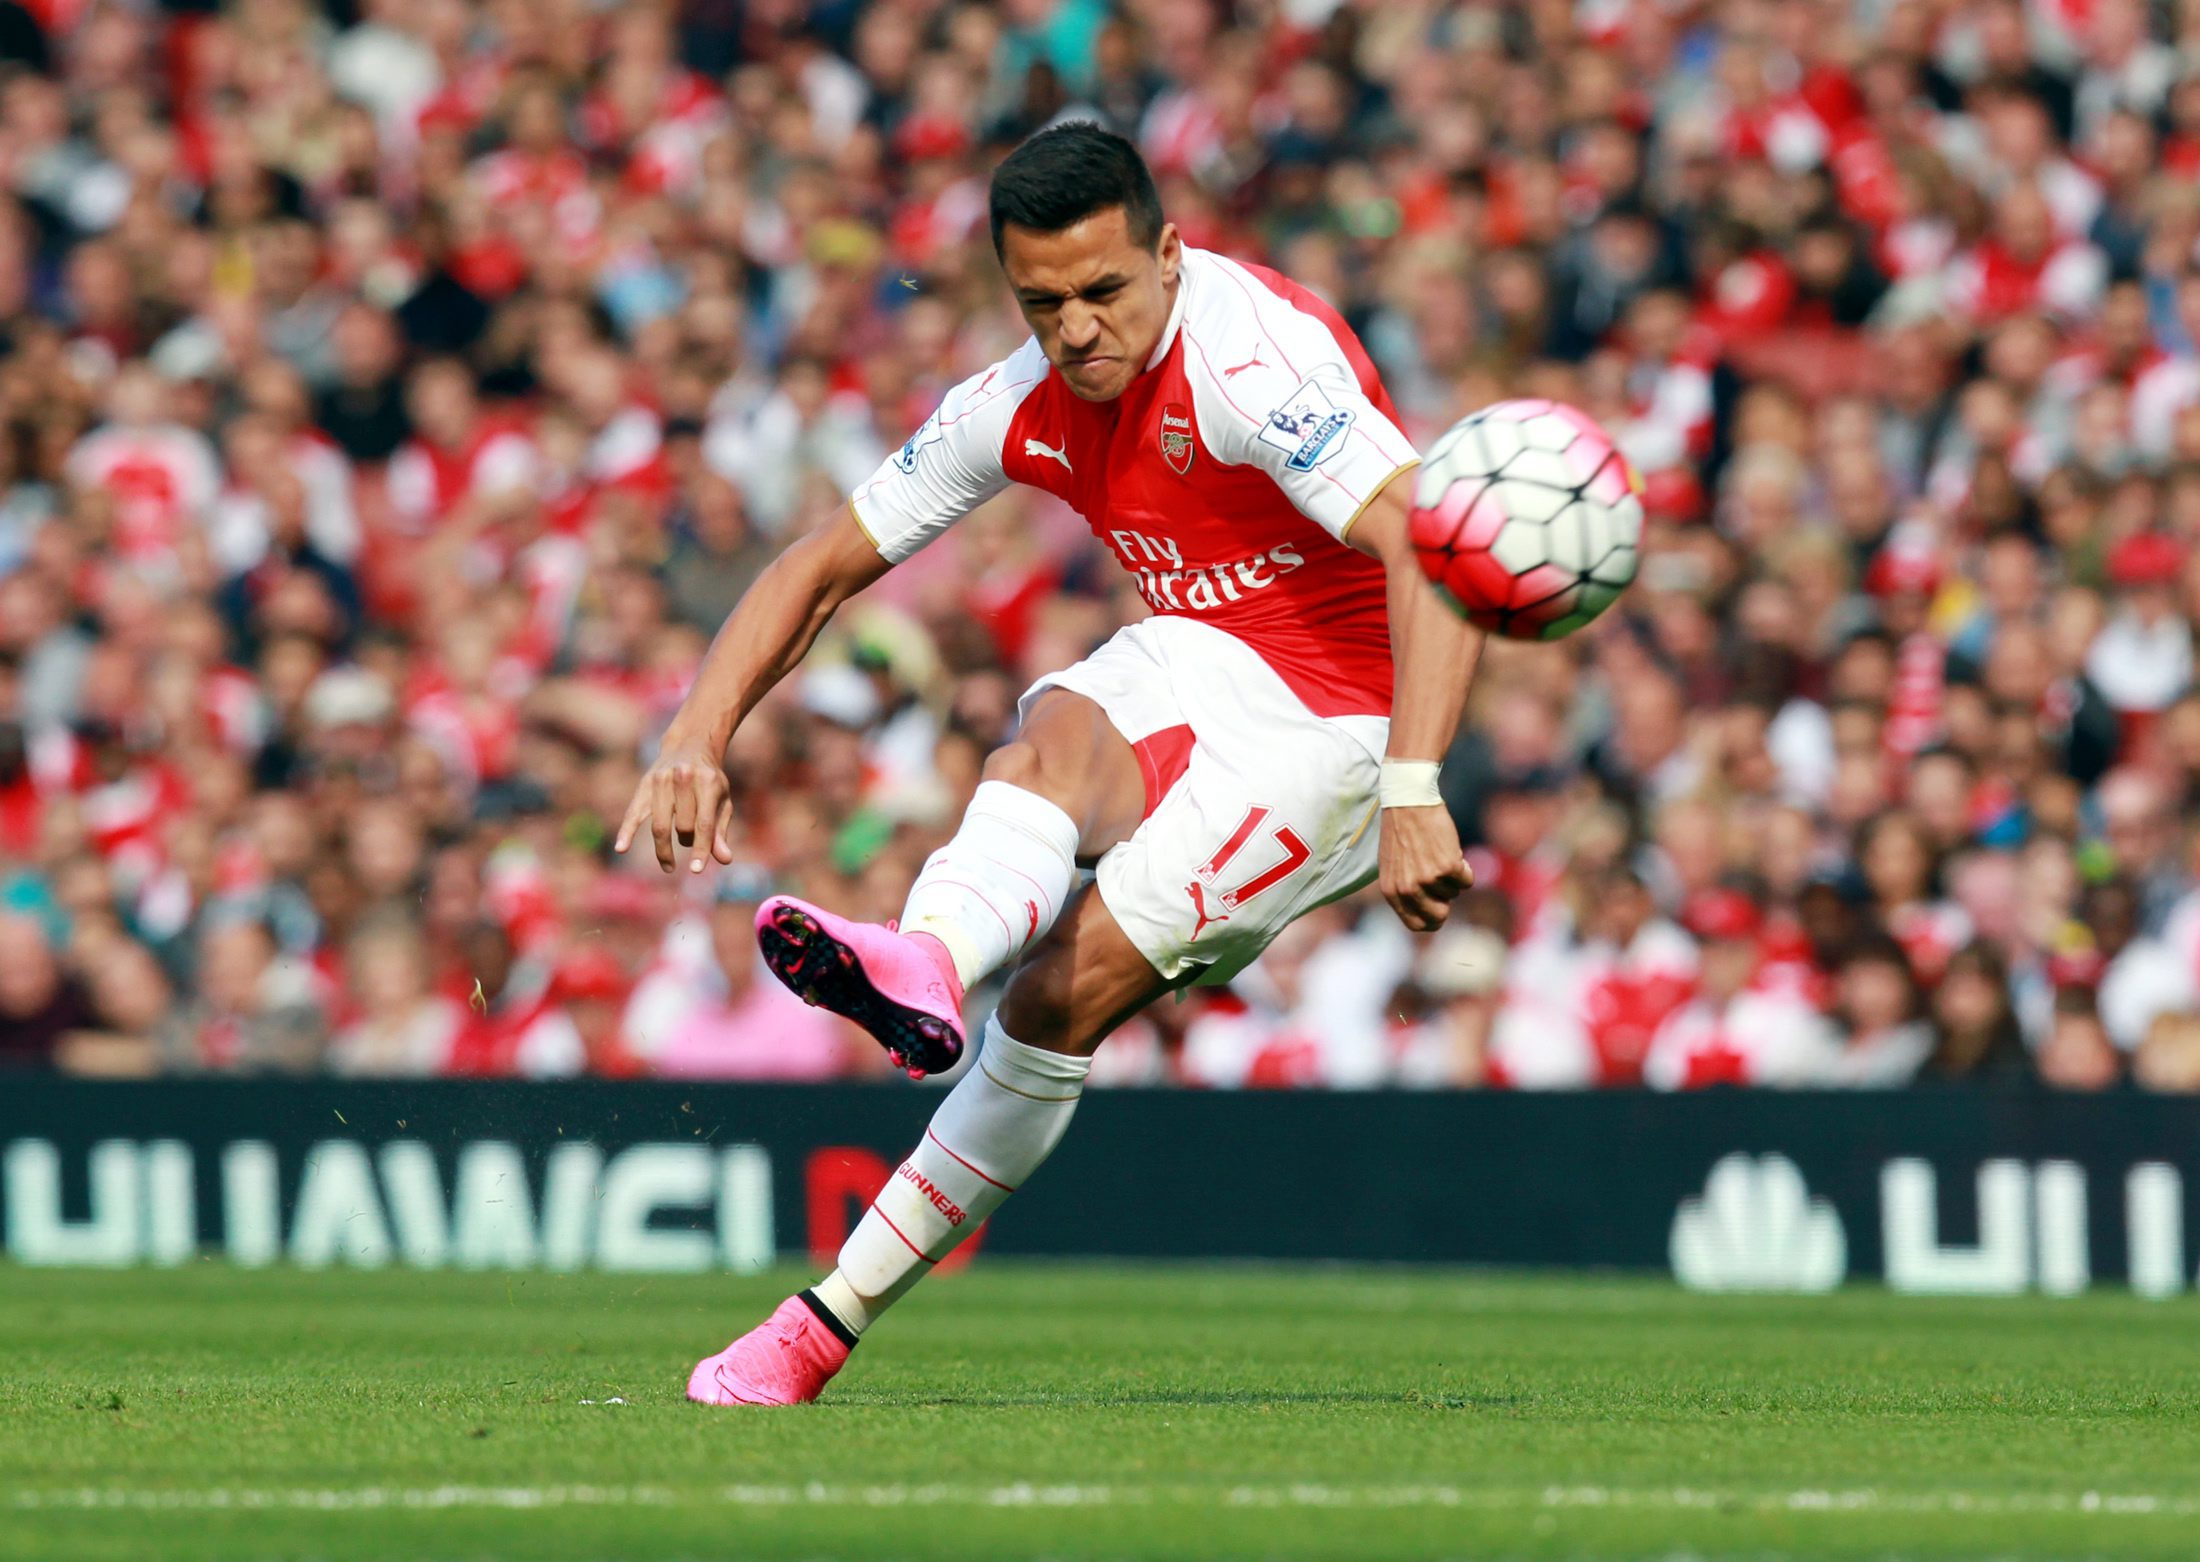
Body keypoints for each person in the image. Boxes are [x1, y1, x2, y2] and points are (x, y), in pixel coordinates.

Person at [615, 124, 1478, 1406]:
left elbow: (1433, 546)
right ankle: (924, 964)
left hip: (1349, 722)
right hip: (1207, 647)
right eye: (1043, 302)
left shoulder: (1249, 368)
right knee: (1047, 740)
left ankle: (824, 1320)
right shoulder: (1018, 399)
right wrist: (694, 734)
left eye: (1102, 290)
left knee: (1057, 999)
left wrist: (1414, 784)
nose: (1075, 329)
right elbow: (821, 564)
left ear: (1169, 255)